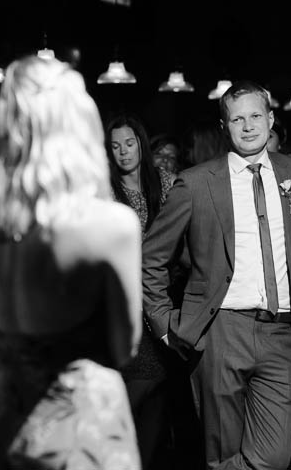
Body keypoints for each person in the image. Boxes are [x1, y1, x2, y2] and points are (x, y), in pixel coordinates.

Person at [0, 56, 142, 470]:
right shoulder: (111, 226)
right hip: (84, 438)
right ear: (80, 122)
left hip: (7, 432)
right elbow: (123, 349)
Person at [142, 81, 291, 470]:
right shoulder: (197, 182)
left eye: (256, 116)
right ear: (225, 127)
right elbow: (149, 258)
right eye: (237, 119)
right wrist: (165, 323)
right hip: (219, 332)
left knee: (274, 457)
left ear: (271, 119)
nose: (248, 126)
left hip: (282, 333)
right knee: (221, 450)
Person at [106, 115, 176, 470]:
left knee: (157, 403)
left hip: (163, 299)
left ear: (141, 144)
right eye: (115, 145)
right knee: (145, 379)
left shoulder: (166, 182)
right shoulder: (103, 190)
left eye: (129, 143)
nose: (123, 152)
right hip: (123, 303)